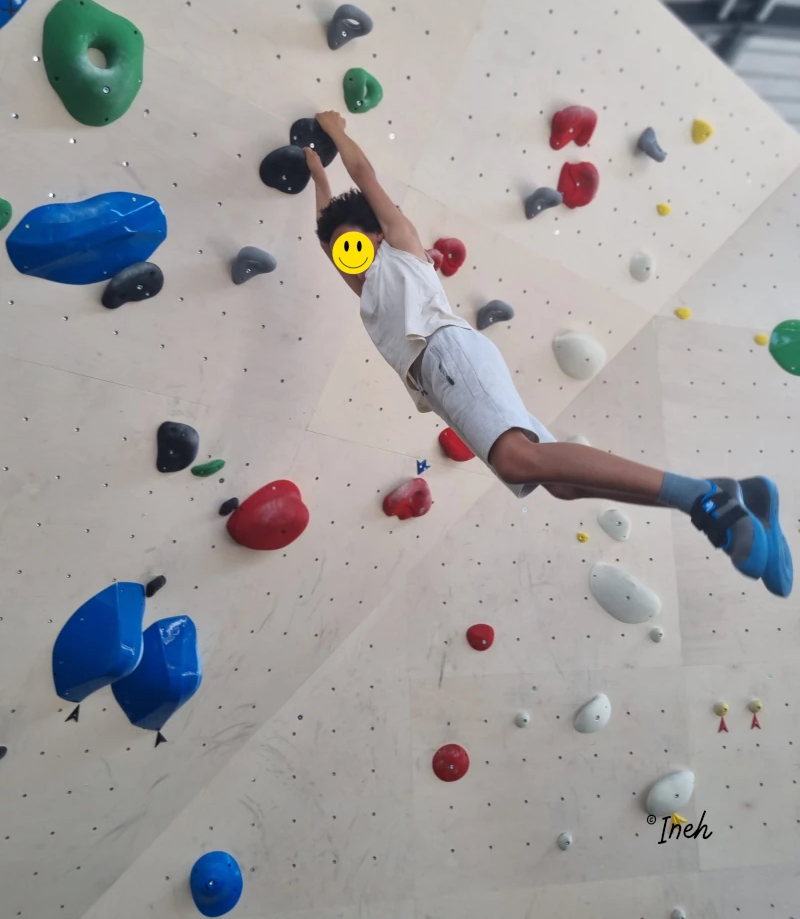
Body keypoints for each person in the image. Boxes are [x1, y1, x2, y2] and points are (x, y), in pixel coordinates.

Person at [305, 110, 792, 598]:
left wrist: (336, 133)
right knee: (559, 483)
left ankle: (703, 500)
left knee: (518, 461)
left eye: (353, 240)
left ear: (376, 233)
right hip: (444, 378)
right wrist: (316, 175)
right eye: (340, 250)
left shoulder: (401, 248)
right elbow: (328, 240)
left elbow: (364, 176)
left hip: (448, 357)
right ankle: (730, 493)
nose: (347, 253)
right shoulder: (367, 294)